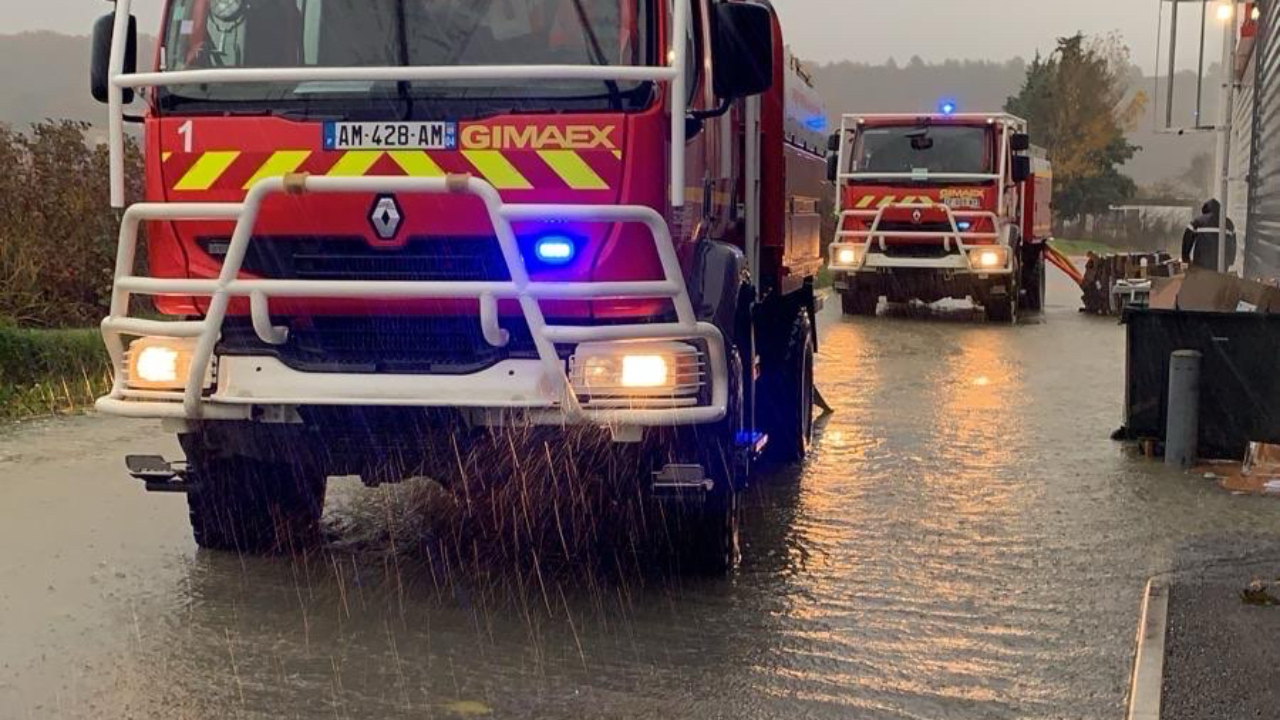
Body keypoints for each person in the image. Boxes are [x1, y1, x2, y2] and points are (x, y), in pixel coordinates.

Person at [1181, 199, 1238, 272]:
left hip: (1201, 263)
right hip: (1221, 264)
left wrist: (1185, 258)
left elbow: (1187, 240)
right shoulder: (1229, 223)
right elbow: (1233, 244)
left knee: (1203, 278)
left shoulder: (1198, 221)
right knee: (1219, 278)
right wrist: (1230, 260)